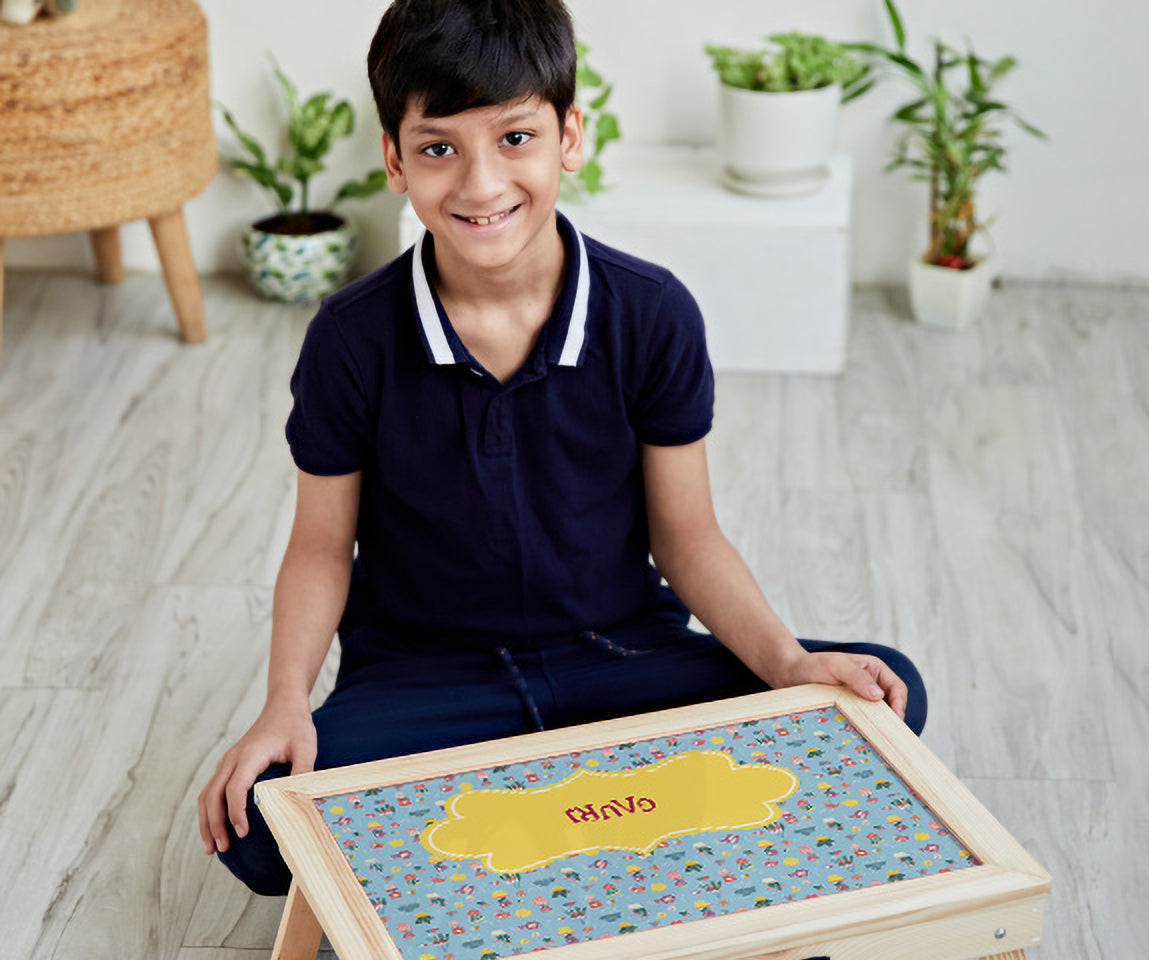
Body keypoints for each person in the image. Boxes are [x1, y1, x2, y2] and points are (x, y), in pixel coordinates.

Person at [197, 0, 927, 896]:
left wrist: (786, 664)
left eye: (514, 138)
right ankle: (597, 818)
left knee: (880, 694)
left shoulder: (651, 313)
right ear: (393, 158)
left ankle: (523, 827)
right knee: (260, 820)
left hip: (619, 658)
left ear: (568, 135)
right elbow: (319, 545)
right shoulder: (351, 338)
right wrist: (282, 704)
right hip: (429, 682)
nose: (478, 184)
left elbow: (687, 535)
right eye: (438, 148)